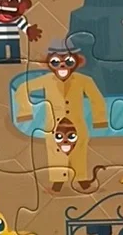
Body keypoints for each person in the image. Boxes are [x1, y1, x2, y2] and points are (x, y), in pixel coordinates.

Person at [14, 40, 109, 193]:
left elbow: (96, 98)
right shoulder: (46, 80)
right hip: (53, 126)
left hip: (77, 124)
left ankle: (83, 182)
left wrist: (99, 119)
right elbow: (22, 88)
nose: (62, 66)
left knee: (79, 152)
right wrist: (25, 111)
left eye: (69, 61)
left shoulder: (84, 80)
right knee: (55, 154)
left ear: (77, 62)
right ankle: (57, 184)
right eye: (56, 62)